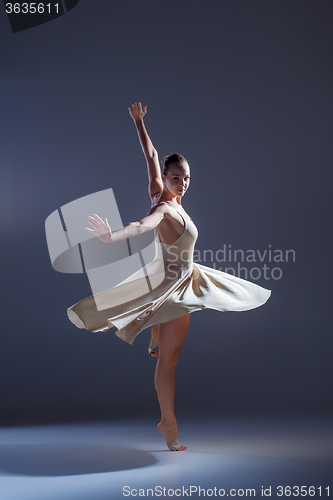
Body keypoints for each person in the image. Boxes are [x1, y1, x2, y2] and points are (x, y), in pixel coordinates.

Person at [67, 102, 271, 451]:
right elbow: (140, 225)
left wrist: (139, 122)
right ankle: (168, 425)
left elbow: (151, 153)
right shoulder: (162, 206)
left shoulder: (169, 197)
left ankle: (156, 341)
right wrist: (111, 236)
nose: (183, 183)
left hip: (182, 279)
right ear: (166, 178)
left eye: (187, 177)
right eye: (176, 177)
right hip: (174, 288)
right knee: (169, 362)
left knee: (169, 354)